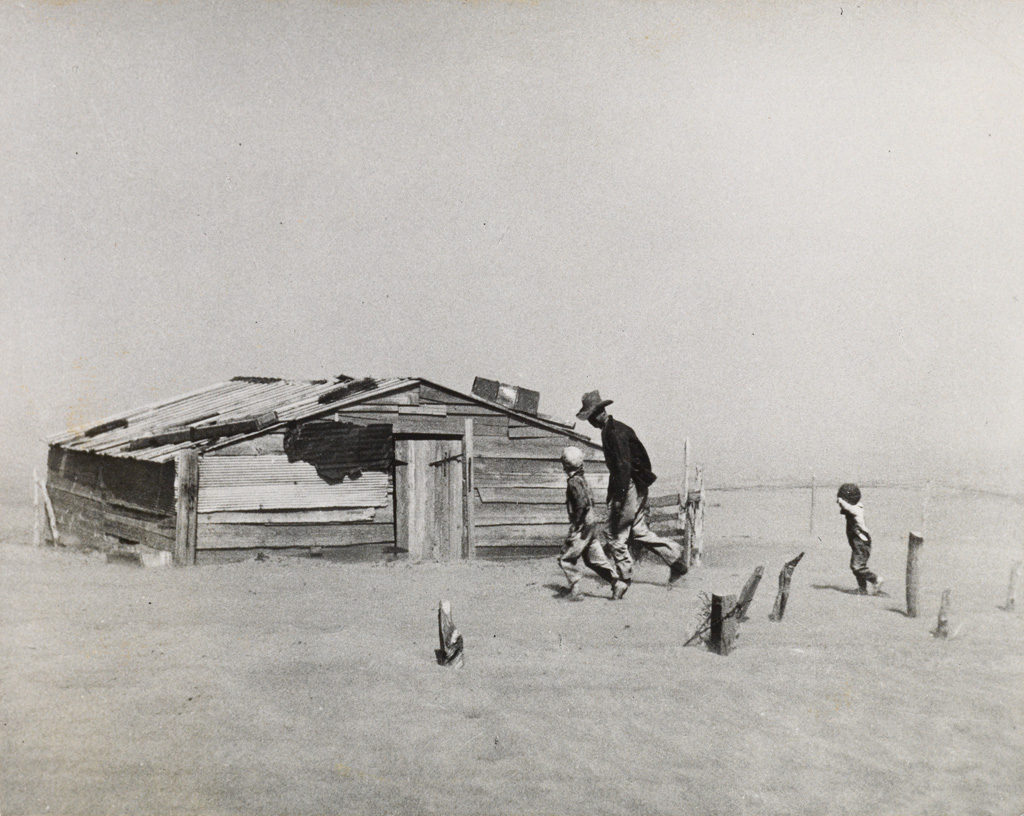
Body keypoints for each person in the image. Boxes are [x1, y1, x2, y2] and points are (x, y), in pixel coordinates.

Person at [576, 391, 688, 600]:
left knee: (614, 533)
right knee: (638, 531)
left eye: (591, 416)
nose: (590, 421)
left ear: (600, 412)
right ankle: (676, 559)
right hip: (633, 485)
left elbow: (623, 468)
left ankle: (623, 580)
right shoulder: (611, 429)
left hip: (629, 486)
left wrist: (618, 499)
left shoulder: (615, 433)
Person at [557, 446, 619, 600]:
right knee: (594, 558)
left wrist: (576, 526)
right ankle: (616, 583)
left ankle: (575, 591)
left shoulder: (573, 482)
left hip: (583, 522)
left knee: (566, 557)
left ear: (565, 465)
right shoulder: (583, 479)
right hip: (591, 521)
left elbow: (581, 504)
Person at [836, 482, 882, 595]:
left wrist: (840, 500)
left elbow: (847, 507)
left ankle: (875, 579)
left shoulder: (856, 509)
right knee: (858, 567)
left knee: (856, 567)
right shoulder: (852, 508)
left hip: (861, 542)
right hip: (857, 542)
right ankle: (862, 589)